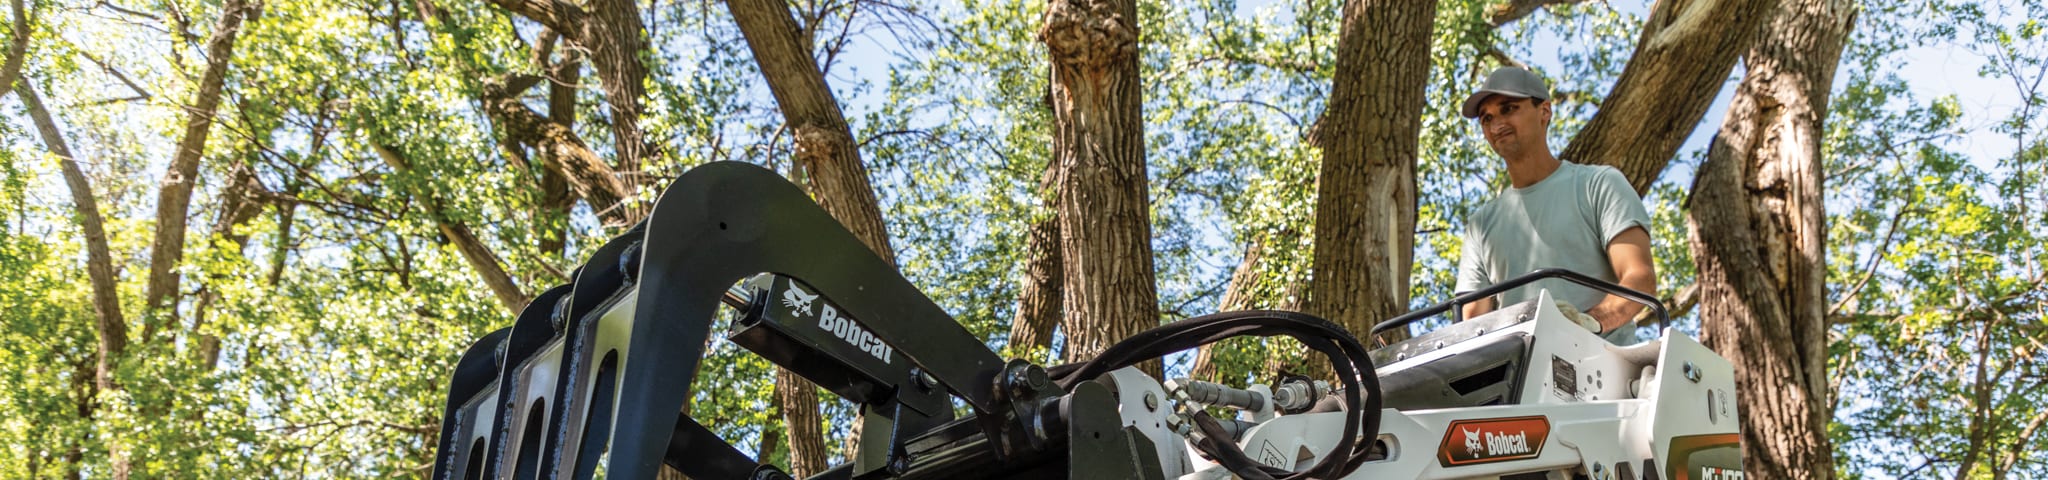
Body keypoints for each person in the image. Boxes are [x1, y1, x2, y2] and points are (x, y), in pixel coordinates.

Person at [1453, 67, 1657, 345]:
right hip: (1520, 380)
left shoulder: (1598, 184)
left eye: (1509, 108)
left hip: (1606, 371)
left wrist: (1587, 322)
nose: (1496, 123)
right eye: (1486, 118)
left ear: (1544, 112)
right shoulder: (1481, 225)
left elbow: (1639, 277)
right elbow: (1473, 324)